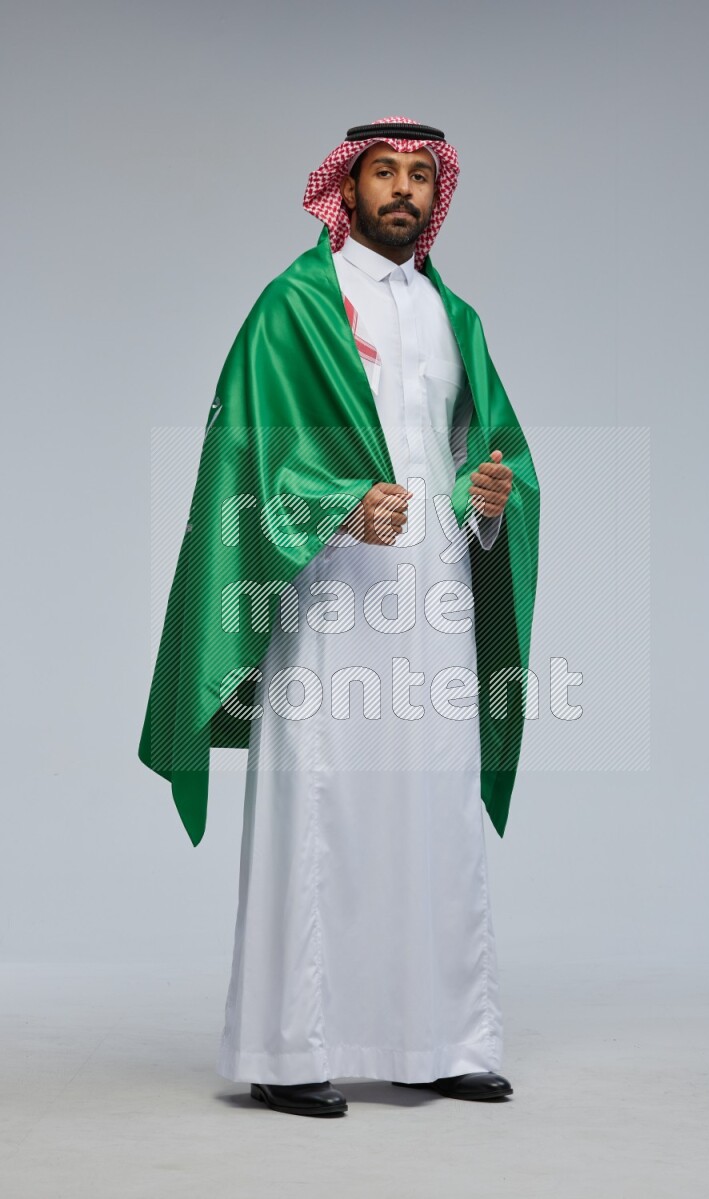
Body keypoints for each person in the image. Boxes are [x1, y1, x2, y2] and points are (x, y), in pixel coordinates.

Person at [138, 117, 541, 1119]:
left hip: (434, 600)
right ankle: (288, 1048)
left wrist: (489, 502)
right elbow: (246, 455)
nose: (402, 189)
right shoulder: (295, 306)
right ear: (346, 189)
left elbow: (483, 458)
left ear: (436, 194)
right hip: (328, 600)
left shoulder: (455, 318)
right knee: (321, 811)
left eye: (419, 175)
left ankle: (439, 1041)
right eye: (382, 172)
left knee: (434, 814)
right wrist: (336, 506)